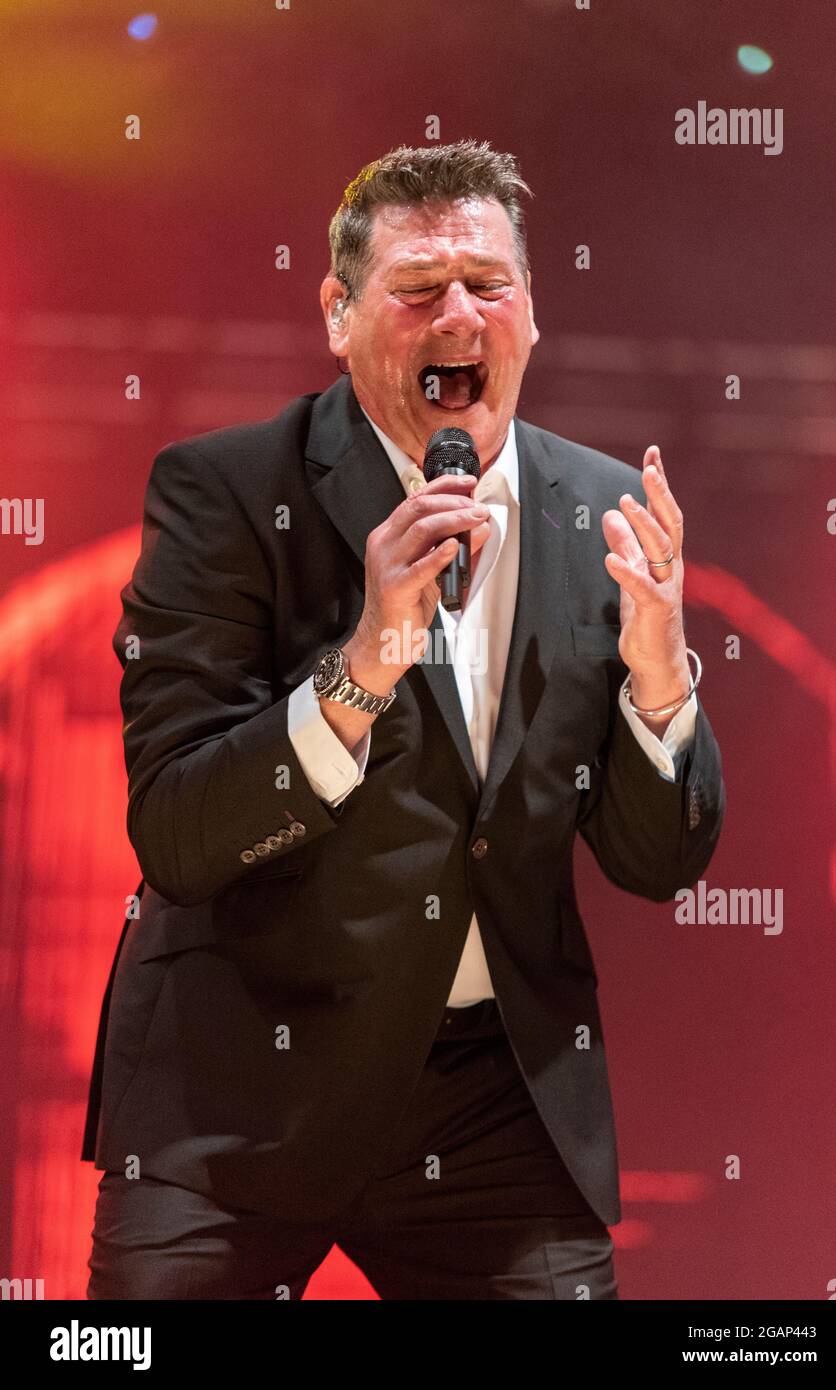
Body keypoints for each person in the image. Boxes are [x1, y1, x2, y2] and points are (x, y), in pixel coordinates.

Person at [82, 140, 725, 1300]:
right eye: (419, 291)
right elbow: (175, 832)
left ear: (534, 312)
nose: (459, 317)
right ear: (338, 313)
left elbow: (661, 858)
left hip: (492, 1095)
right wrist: (364, 665)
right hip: (239, 1085)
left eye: (490, 285)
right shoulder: (224, 493)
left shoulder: (606, 514)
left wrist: (661, 677)